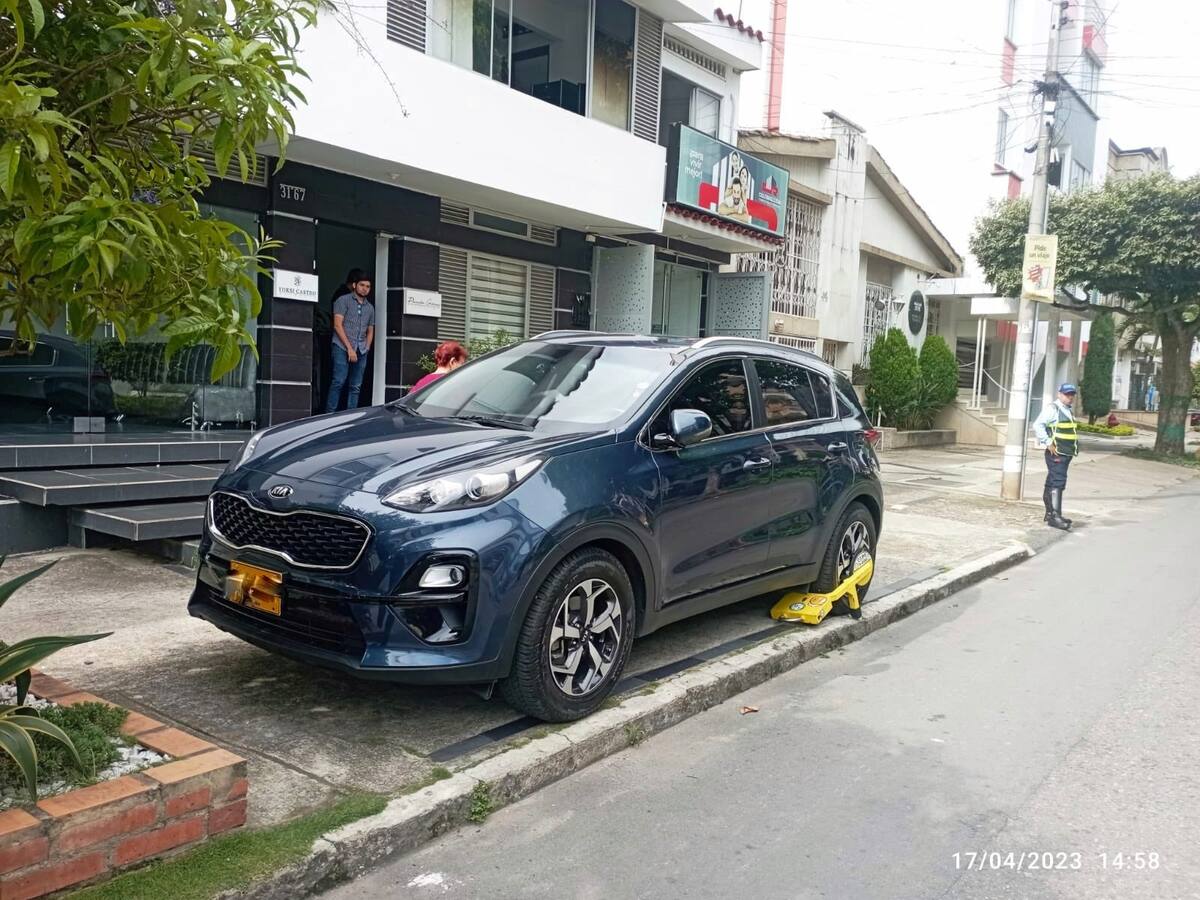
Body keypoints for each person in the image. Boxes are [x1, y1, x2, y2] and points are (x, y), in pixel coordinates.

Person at [324, 274, 374, 413]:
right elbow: (337, 325)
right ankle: (329, 415)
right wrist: (349, 348)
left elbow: (370, 329)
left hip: (361, 349)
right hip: (341, 346)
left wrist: (367, 346)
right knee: (338, 382)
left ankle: (350, 415)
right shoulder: (342, 301)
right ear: (354, 285)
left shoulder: (370, 308)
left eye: (368, 286)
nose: (364, 289)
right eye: (362, 285)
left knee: (356, 386)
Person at [1032, 383, 1079, 531]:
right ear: (1059, 394)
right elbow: (1038, 425)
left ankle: (1051, 513)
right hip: (1056, 453)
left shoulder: (1066, 410)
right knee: (1058, 482)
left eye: (1071, 395)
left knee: (1052, 481)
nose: (1070, 397)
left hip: (1065, 453)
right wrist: (1048, 442)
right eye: (1067, 394)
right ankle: (1055, 517)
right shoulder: (1053, 409)